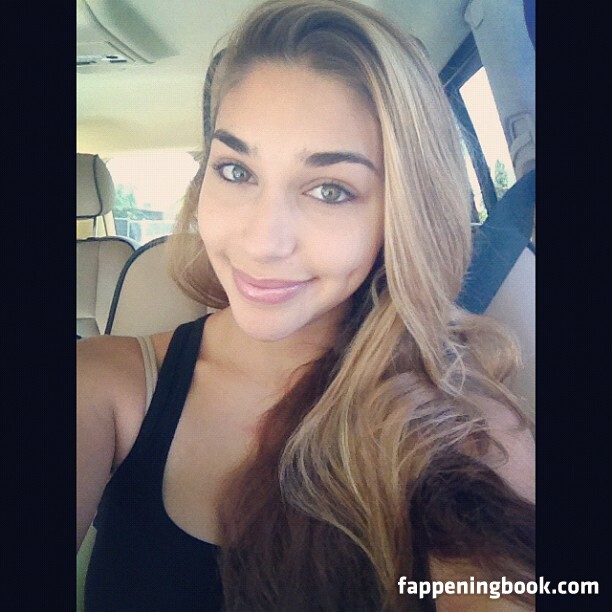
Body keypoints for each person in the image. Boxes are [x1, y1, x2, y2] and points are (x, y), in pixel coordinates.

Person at [77, 1, 535, 610]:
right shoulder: (103, 384)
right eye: (236, 170)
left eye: (331, 190)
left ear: (399, 214)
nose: (262, 243)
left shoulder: (472, 431)